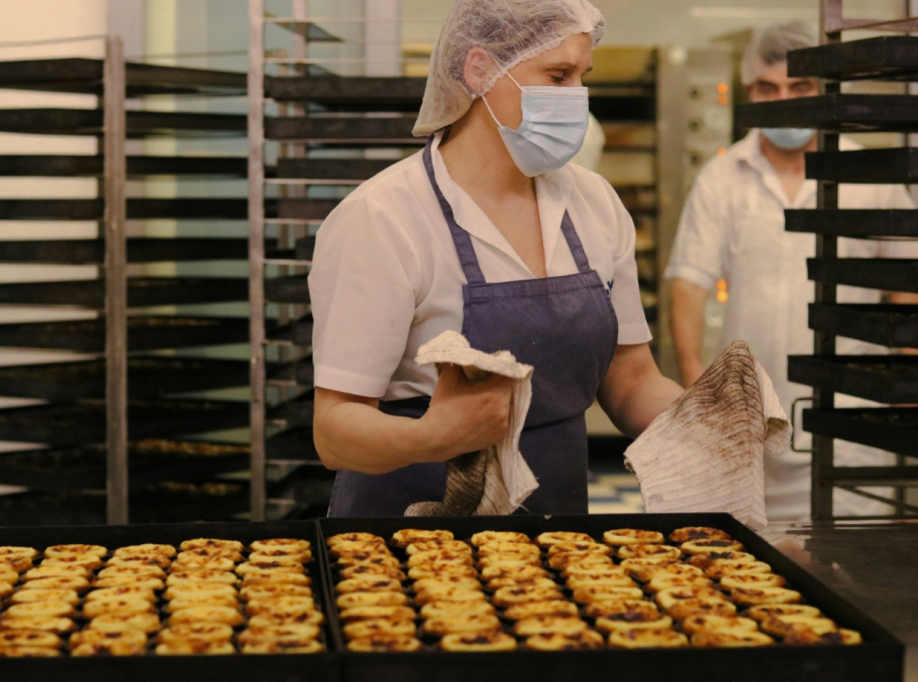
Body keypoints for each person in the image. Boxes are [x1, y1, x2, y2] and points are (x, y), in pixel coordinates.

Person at [308, 0, 684, 517]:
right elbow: (334, 429)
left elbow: (630, 376)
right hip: (410, 533)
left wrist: (701, 422)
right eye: (557, 75)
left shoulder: (593, 202)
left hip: (557, 526)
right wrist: (432, 438)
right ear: (479, 70)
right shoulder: (385, 216)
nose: (577, 97)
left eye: (583, 77)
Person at [665, 20, 918, 521]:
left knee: (850, 558)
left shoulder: (870, 177)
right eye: (768, 88)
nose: (784, 100)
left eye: (799, 86)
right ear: (749, 90)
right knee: (750, 562)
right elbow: (688, 284)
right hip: (746, 428)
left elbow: (906, 290)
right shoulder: (722, 177)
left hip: (849, 428)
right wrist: (699, 395)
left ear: (823, 89)